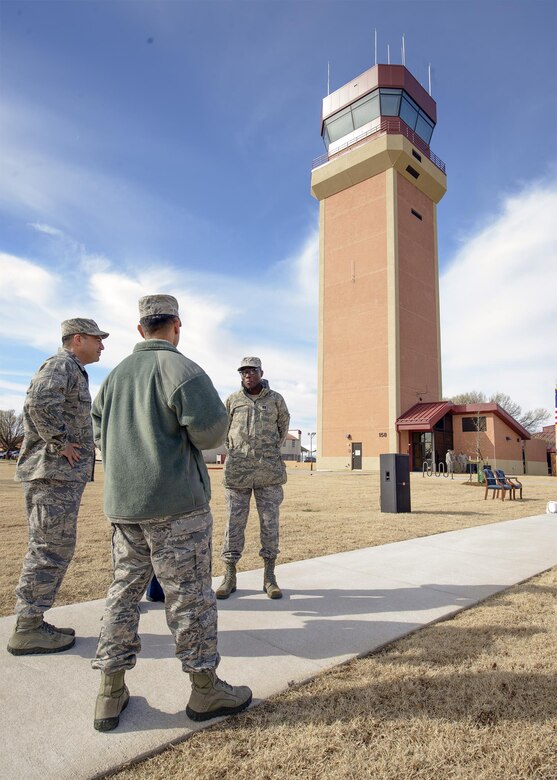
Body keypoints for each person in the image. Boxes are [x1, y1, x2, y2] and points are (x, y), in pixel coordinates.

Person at [91, 295, 251, 732]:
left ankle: (110, 690)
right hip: (177, 507)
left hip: (125, 508)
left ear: (141, 329)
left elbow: (99, 433)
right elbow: (211, 433)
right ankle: (205, 690)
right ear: (176, 325)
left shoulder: (114, 377)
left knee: (123, 594)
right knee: (190, 598)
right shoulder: (181, 369)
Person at [7, 318, 109, 656]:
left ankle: (33, 621)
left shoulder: (73, 368)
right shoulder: (60, 364)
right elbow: (38, 402)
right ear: (77, 339)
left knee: (54, 546)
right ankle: (28, 627)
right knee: (48, 548)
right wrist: (61, 441)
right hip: (51, 473)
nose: (101, 346)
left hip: (59, 476)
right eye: (97, 340)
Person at [216, 357, 290, 601]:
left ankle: (269, 576)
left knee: (269, 524)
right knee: (233, 524)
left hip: (268, 473)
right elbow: (224, 431)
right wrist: (239, 453)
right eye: (244, 371)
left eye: (252, 371)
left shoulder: (276, 399)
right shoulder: (232, 400)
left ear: (261, 372)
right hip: (237, 474)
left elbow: (282, 429)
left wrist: (266, 453)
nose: (248, 375)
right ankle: (230, 575)